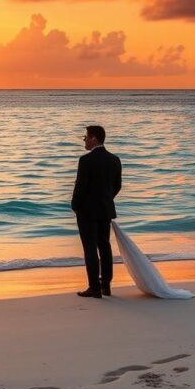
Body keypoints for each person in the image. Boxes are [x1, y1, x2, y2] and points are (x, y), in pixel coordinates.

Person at [71, 125, 122, 298]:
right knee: (104, 246)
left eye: (85, 138)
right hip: (105, 209)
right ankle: (105, 285)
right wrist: (106, 199)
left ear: (93, 138)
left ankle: (94, 287)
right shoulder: (115, 159)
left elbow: (80, 187)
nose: (84, 141)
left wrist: (75, 205)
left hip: (87, 211)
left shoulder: (86, 160)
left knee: (90, 248)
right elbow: (117, 186)